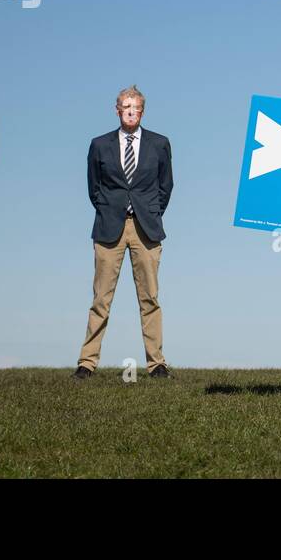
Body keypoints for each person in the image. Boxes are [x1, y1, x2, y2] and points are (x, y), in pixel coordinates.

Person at [75, 86, 174, 379]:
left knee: (150, 298)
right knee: (101, 299)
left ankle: (156, 364)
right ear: (117, 110)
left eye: (136, 107)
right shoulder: (99, 144)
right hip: (109, 228)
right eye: (125, 107)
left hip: (146, 228)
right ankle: (87, 363)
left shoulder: (160, 144)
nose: (130, 111)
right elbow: (94, 187)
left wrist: (151, 213)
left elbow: (165, 186)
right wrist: (110, 210)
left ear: (142, 111)